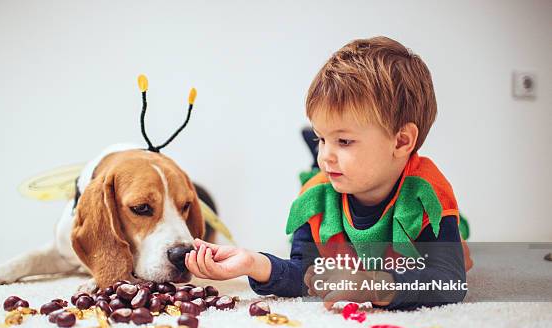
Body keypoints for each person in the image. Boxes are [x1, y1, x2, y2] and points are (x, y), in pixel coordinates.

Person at [184, 36, 470, 311]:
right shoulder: (316, 197)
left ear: (401, 141)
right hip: (337, 211)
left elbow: (449, 279)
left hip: (408, 232)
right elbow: (305, 273)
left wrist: (373, 285)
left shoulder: (426, 195)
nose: (326, 155)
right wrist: (253, 263)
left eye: (344, 141)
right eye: (321, 139)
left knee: (463, 252)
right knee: (317, 173)